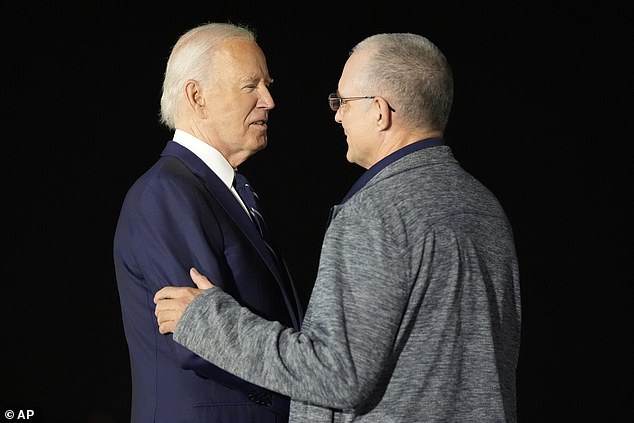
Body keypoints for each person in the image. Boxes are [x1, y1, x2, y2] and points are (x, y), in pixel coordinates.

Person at [154, 33, 521, 422]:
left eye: (342, 102)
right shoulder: (485, 207)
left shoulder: (377, 211)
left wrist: (207, 321)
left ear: (380, 111)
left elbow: (336, 375)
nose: (337, 115)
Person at [113, 22, 303, 423]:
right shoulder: (167, 193)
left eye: (267, 85)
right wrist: (307, 392)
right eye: (250, 86)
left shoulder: (225, 190)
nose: (269, 100)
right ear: (197, 96)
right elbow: (196, 339)